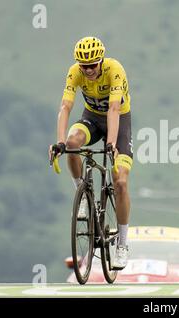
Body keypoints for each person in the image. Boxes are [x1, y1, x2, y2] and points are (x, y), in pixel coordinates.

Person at [49, 36, 133, 269]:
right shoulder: (75, 72)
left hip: (119, 122)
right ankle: (82, 192)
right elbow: (65, 106)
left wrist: (112, 143)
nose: (87, 70)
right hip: (91, 119)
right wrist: (59, 142)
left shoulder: (114, 69)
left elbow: (114, 108)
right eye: (83, 65)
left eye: (92, 65)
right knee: (72, 142)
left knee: (121, 182)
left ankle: (123, 245)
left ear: (100, 61)